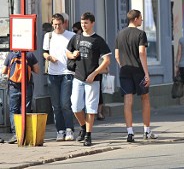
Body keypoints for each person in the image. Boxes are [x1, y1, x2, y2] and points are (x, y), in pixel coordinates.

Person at [66, 12, 111, 147]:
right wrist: (72, 54)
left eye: (86, 23)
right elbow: (67, 52)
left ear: (92, 23)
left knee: (91, 108)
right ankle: (83, 127)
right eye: (82, 23)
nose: (83, 25)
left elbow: (107, 60)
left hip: (93, 79)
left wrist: (95, 73)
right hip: (78, 77)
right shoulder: (76, 38)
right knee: (75, 106)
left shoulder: (98, 40)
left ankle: (88, 136)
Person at [115, 9, 156, 142]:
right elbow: (142, 53)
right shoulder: (141, 34)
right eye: (141, 18)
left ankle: (130, 132)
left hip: (125, 70)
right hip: (138, 70)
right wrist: (146, 73)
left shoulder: (120, 34)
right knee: (145, 99)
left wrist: (123, 66)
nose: (142, 20)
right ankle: (146, 131)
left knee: (128, 100)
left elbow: (116, 55)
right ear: (136, 18)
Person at [43, 13, 76, 141]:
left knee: (65, 103)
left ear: (64, 23)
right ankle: (60, 130)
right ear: (52, 24)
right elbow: (45, 53)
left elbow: (75, 52)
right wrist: (49, 57)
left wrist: (74, 55)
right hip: (52, 73)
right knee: (55, 105)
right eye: (55, 24)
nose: (57, 27)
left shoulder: (71, 36)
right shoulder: (49, 36)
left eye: (59, 24)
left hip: (67, 72)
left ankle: (69, 129)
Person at [2, 50, 40, 144]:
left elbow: (4, 71)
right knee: (25, 109)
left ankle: (16, 133)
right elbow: (37, 70)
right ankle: (25, 133)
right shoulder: (30, 54)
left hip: (13, 86)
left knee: (13, 110)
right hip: (27, 86)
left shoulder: (11, 55)